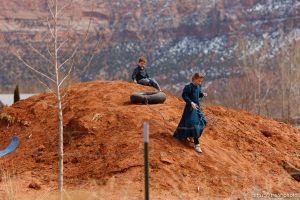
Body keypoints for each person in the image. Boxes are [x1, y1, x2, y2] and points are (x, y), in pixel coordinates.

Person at [173, 73, 207, 153]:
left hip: (197, 107)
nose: (200, 83)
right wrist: (190, 102)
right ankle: (196, 144)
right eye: (199, 81)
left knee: (202, 122)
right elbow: (184, 96)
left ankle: (191, 135)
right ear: (194, 79)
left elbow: (197, 94)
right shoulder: (188, 87)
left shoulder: (198, 86)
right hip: (190, 108)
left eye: (201, 81)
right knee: (193, 124)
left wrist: (202, 94)